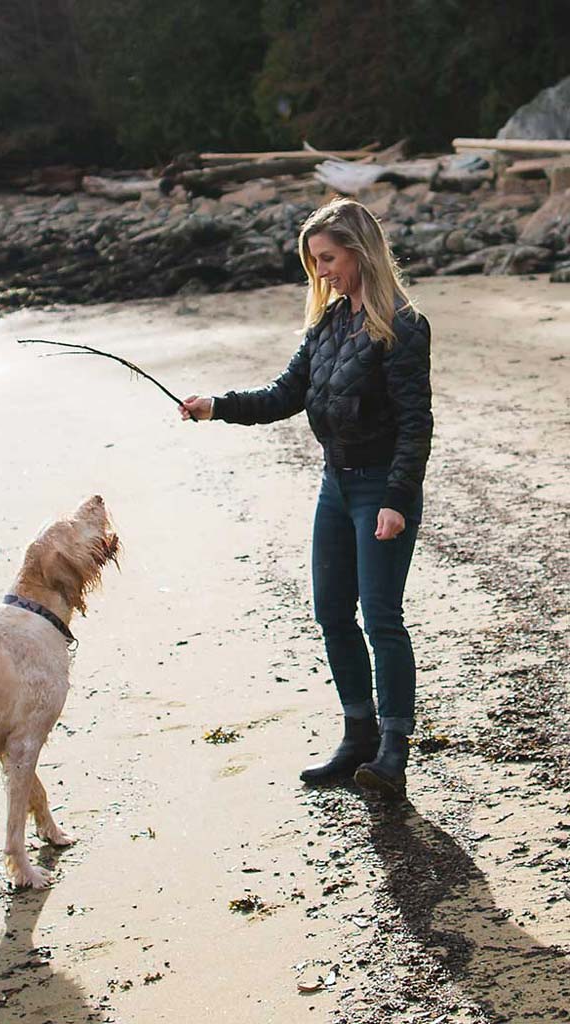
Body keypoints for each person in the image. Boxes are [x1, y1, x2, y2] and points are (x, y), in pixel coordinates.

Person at [179, 197, 432, 799]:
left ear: (360, 251)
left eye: (329, 258)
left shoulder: (403, 325)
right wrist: (217, 406)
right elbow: (282, 394)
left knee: (381, 617)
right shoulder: (327, 323)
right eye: (314, 262)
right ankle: (358, 736)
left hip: (380, 490)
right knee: (330, 614)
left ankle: (394, 748)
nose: (321, 272)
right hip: (336, 486)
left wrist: (396, 500)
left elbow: (416, 424)